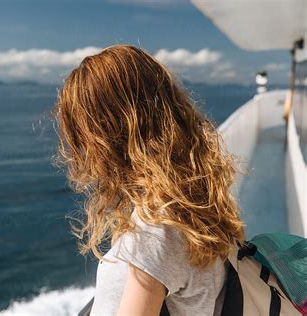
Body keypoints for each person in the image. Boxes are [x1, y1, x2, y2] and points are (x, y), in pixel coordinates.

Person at [53, 44, 245, 316]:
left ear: (108, 135)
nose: (82, 149)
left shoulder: (156, 229)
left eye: (82, 133)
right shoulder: (190, 203)